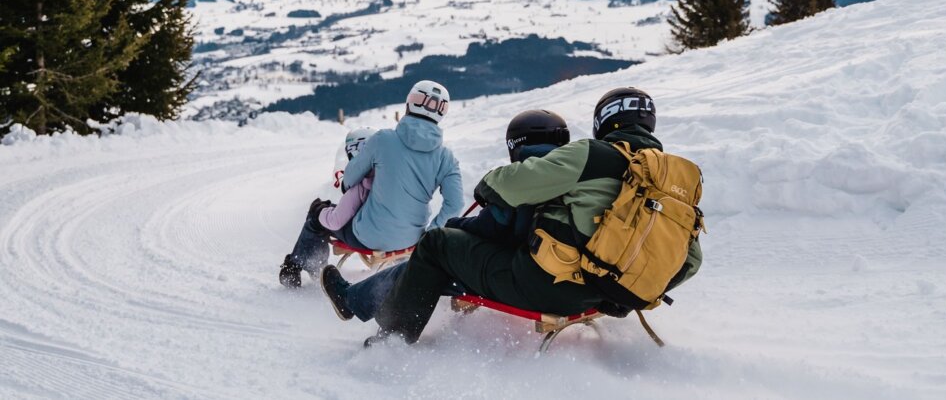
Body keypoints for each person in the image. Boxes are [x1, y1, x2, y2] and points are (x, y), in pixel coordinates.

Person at [364, 87, 703, 346]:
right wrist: (629, 293)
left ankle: (391, 342)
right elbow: (689, 261)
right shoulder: (674, 180)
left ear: (604, 122)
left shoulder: (594, 155)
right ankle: (368, 302)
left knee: (438, 243)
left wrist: (487, 187)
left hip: (544, 286)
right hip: (604, 294)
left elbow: (517, 182)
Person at [319, 109, 571, 322]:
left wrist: (455, 225)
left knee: (435, 255)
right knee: (443, 257)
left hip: (528, 280)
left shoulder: (526, 178)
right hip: (573, 287)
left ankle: (364, 310)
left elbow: (493, 227)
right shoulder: (579, 175)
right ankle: (360, 301)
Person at [278, 80, 463, 288]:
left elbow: (349, 180)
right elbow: (455, 204)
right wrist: (429, 234)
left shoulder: (383, 139)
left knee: (317, 213)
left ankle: (301, 267)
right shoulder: (446, 157)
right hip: (413, 239)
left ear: (409, 103)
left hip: (367, 236)